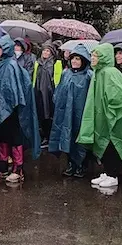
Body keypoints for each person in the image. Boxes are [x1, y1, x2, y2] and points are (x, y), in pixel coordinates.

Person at [78, 43, 122, 189]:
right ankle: (107, 172)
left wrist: (110, 115)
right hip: (105, 117)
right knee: (104, 144)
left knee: (112, 144)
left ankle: (113, 175)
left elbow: (121, 98)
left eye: (96, 55)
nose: (92, 58)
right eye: (93, 55)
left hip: (112, 119)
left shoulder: (109, 73)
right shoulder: (100, 72)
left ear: (104, 58)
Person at [0, 35, 40, 183]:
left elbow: (13, 90)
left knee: (15, 138)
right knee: (3, 137)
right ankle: (2, 167)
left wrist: (9, 106)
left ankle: (18, 169)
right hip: (2, 108)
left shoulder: (10, 66)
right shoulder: (2, 64)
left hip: (13, 110)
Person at [49, 44, 93, 178]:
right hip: (65, 113)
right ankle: (70, 164)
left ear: (84, 60)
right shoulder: (65, 73)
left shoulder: (89, 76)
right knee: (66, 137)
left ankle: (81, 165)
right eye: (73, 58)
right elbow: (58, 91)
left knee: (80, 138)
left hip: (81, 113)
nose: (74, 61)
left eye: (78, 59)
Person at [33, 42, 62, 148]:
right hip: (38, 92)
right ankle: (43, 136)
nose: (45, 52)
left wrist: (56, 93)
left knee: (49, 115)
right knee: (40, 114)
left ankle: (49, 138)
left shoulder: (56, 63)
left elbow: (58, 79)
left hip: (50, 93)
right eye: (44, 50)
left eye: (48, 51)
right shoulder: (37, 63)